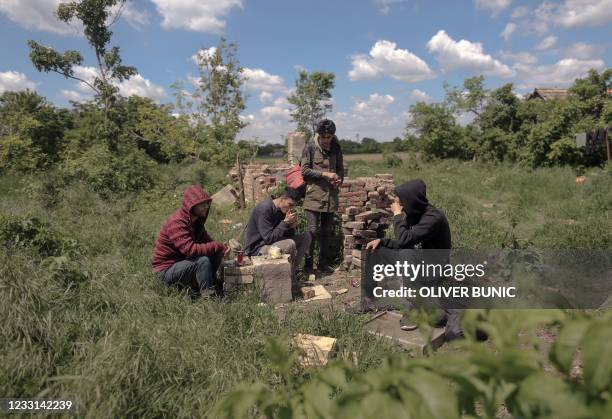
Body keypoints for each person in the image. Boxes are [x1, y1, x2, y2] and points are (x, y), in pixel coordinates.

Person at [365, 179, 463, 341]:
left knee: (406, 254)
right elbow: (407, 240)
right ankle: (367, 300)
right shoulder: (413, 214)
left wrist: (397, 215)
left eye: (400, 200)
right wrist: (383, 242)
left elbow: (405, 241)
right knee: (376, 248)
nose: (397, 203)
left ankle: (414, 305)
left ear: (411, 199)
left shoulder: (433, 217)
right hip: (420, 262)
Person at [152, 185, 229, 297]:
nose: (206, 206)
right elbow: (190, 250)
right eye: (202, 204)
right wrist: (217, 246)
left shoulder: (196, 222)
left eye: (207, 203)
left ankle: (205, 284)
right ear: (191, 206)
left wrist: (221, 248)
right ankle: (208, 297)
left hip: (181, 265)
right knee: (202, 261)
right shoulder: (177, 222)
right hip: (165, 271)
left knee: (215, 253)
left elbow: (208, 242)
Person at [301, 119, 344, 276]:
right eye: (324, 137)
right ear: (319, 135)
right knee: (311, 232)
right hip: (313, 196)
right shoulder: (310, 147)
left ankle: (323, 264)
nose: (326, 140)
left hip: (330, 197)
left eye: (329, 136)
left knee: (327, 232)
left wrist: (339, 179)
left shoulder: (336, 147)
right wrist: (325, 174)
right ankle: (308, 265)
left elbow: (340, 169)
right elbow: (304, 171)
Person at [244, 187, 311, 272]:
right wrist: (285, 223)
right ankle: (284, 273)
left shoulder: (281, 209)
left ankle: (291, 271)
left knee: (306, 237)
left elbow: (284, 234)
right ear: (282, 198)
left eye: (293, 206)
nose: (291, 208)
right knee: (290, 244)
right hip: (258, 248)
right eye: (290, 205)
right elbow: (269, 239)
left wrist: (291, 226)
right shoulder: (265, 209)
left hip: (274, 243)